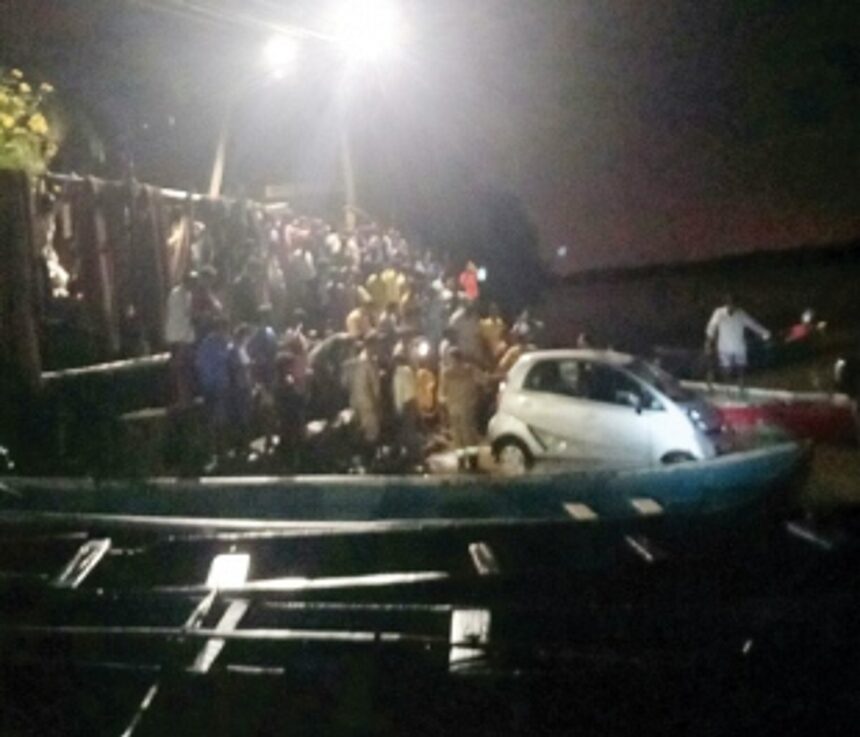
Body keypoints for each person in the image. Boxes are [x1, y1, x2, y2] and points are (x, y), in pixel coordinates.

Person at [705, 294, 771, 385]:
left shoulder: (741, 314)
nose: (731, 305)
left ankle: (741, 385)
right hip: (724, 347)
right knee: (726, 371)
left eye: (733, 303)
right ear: (726, 303)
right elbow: (711, 327)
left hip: (738, 346)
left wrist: (765, 334)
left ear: (736, 304)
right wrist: (708, 342)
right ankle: (727, 386)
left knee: (741, 370)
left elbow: (753, 325)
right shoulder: (719, 313)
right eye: (729, 303)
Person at [439, 348, 485, 469]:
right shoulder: (470, 370)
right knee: (469, 432)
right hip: (467, 407)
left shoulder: (446, 373)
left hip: (453, 408)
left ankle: (461, 460)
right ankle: (473, 460)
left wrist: (444, 405)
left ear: (452, 358)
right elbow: (483, 380)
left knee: (457, 434)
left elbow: (442, 393)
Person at [195, 316, 233, 464]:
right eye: (225, 329)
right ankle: (217, 452)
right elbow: (224, 359)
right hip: (215, 386)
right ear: (221, 328)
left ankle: (217, 451)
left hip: (212, 385)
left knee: (216, 419)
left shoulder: (208, 343)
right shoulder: (215, 343)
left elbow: (199, 364)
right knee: (217, 420)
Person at [164, 271, 197, 407]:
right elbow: (181, 318)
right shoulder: (178, 295)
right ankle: (182, 398)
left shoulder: (185, 294)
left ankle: (186, 397)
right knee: (181, 369)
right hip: (179, 338)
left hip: (182, 337)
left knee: (186, 369)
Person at [347, 336, 383, 447]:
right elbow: (363, 387)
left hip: (370, 404)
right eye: (375, 345)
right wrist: (375, 403)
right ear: (369, 345)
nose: (377, 348)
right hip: (367, 405)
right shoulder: (363, 362)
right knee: (370, 435)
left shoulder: (371, 359)